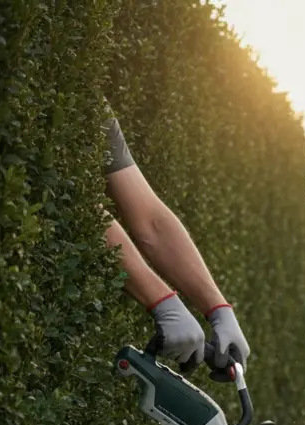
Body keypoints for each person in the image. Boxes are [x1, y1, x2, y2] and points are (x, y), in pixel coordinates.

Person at [100, 110, 250, 374]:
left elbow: (150, 222)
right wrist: (161, 300)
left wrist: (218, 309)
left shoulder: (91, 103)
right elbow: (70, 202)